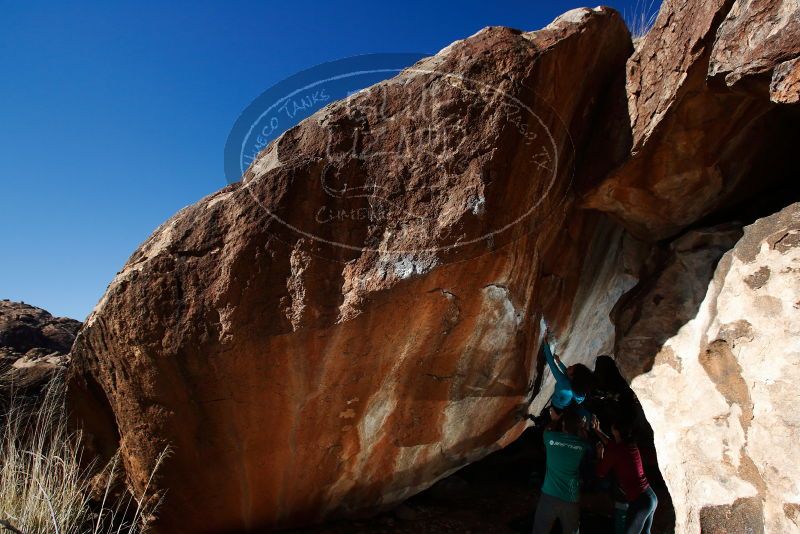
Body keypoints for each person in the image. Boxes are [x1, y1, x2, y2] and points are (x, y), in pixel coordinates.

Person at [592, 415, 658, 534]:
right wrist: (598, 431)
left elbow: (600, 473)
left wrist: (599, 455)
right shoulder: (630, 445)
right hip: (651, 497)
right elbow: (612, 445)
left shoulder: (616, 451)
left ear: (616, 430)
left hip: (640, 502)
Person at [532, 406, 591, 534]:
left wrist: (554, 420)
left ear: (563, 424)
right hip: (571, 498)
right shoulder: (582, 445)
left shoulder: (551, 438)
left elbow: (546, 430)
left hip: (549, 495)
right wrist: (582, 427)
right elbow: (584, 435)